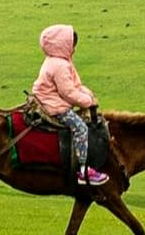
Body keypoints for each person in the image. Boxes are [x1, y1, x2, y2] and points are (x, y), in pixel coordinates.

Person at [29, 21, 109, 197]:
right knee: (80, 128)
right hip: (53, 104)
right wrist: (88, 102)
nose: (74, 49)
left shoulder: (57, 61)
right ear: (62, 45)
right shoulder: (60, 66)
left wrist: (88, 95)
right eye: (72, 45)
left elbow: (75, 85)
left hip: (50, 98)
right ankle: (83, 170)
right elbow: (68, 93)